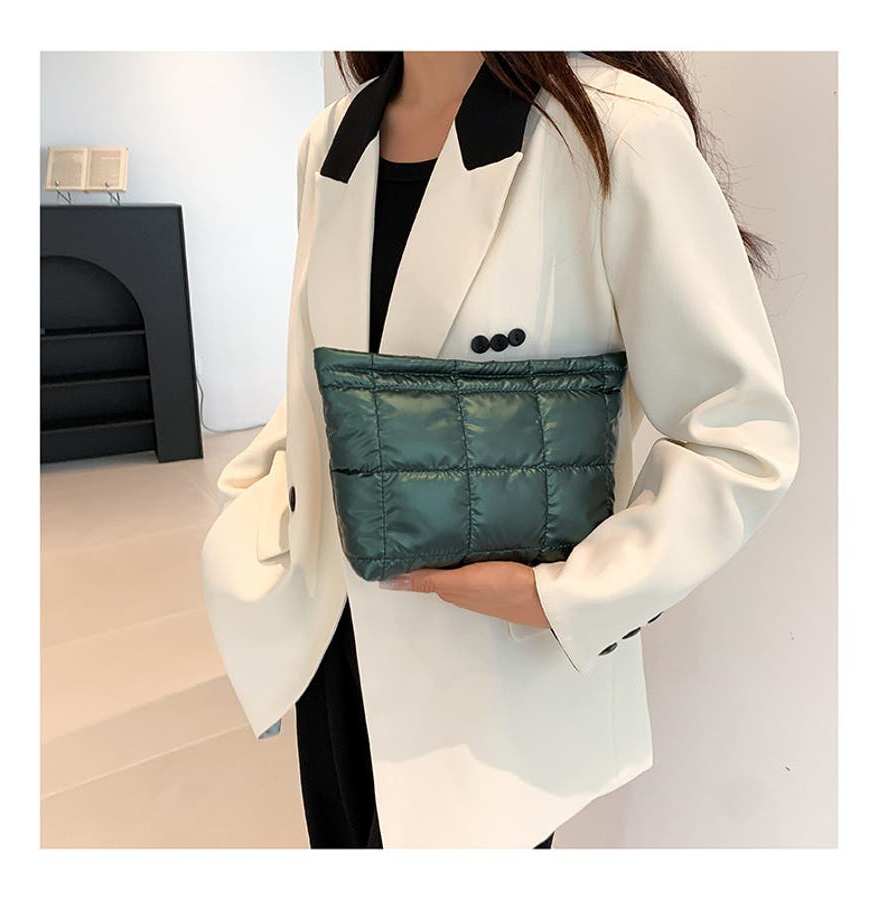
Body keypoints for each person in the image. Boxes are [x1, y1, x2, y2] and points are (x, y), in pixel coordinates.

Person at [201, 51, 801, 849]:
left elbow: (740, 436)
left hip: (487, 666)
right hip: (332, 636)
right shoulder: (332, 140)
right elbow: (321, 379)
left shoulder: (617, 131)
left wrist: (568, 595)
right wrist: (252, 513)